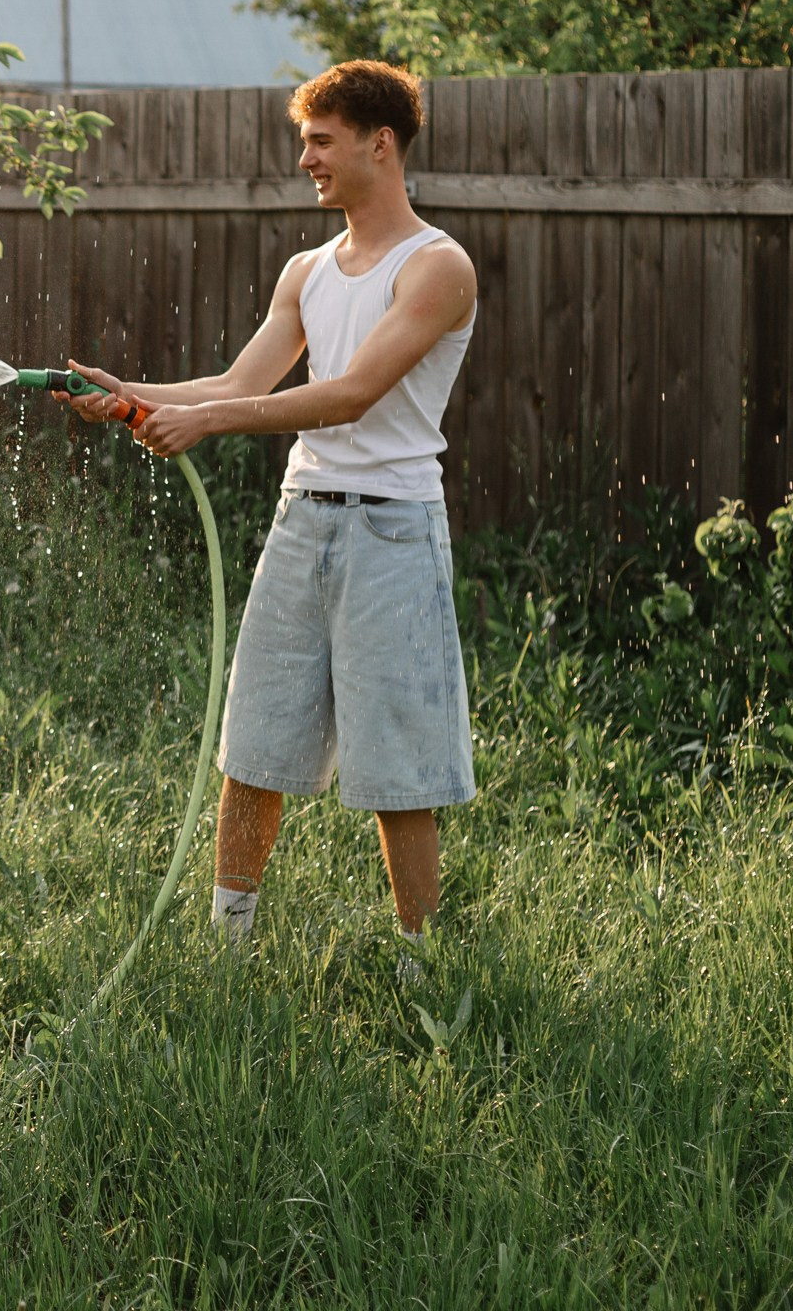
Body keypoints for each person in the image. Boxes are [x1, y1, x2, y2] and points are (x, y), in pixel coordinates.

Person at [62, 60, 477, 952]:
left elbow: (352, 393)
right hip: (302, 524)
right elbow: (238, 382)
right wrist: (126, 391)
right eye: (304, 142)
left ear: (382, 143)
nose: (307, 160)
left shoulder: (437, 268)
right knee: (254, 746)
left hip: (393, 532)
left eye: (322, 141)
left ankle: (422, 966)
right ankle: (227, 949)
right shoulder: (307, 271)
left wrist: (206, 422)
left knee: (397, 769)